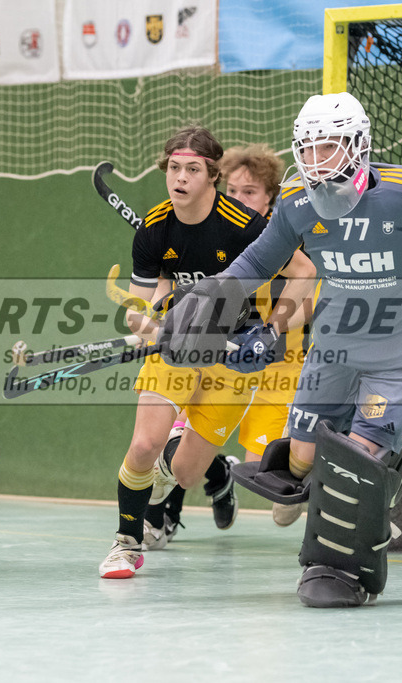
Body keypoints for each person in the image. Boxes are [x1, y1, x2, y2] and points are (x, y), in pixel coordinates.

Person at [159, 92, 402, 607]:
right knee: (300, 461)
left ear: (358, 145)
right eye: (307, 149)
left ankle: (339, 568)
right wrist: (209, 298)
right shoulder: (296, 202)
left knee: (354, 460)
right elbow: (258, 261)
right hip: (332, 349)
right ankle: (387, 468)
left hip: (400, 354)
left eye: (327, 147)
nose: (315, 160)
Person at [99, 125, 314, 579]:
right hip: (178, 349)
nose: (180, 178)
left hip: (233, 356)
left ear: (212, 176)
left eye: (192, 169)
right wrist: (154, 325)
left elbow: (305, 272)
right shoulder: (154, 228)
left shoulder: (245, 226)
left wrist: (272, 331)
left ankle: (182, 474)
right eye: (174, 168)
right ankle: (126, 544)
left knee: (185, 473)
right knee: (143, 444)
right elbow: (141, 306)